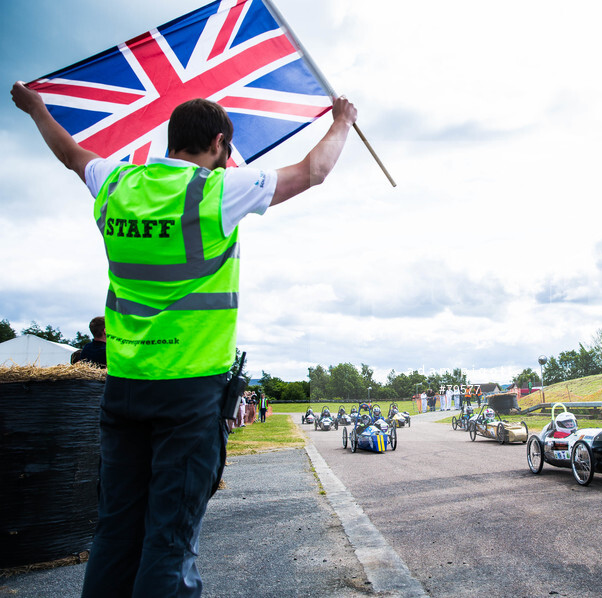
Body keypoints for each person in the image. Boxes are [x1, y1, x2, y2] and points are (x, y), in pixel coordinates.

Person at [12, 80, 357, 598]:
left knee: (114, 532)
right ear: (218, 142)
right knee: (169, 539)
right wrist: (342, 121)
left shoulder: (116, 184)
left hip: (124, 386)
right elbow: (314, 171)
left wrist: (37, 109)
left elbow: (70, 154)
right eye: (227, 151)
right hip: (189, 392)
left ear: (171, 139)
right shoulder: (217, 191)